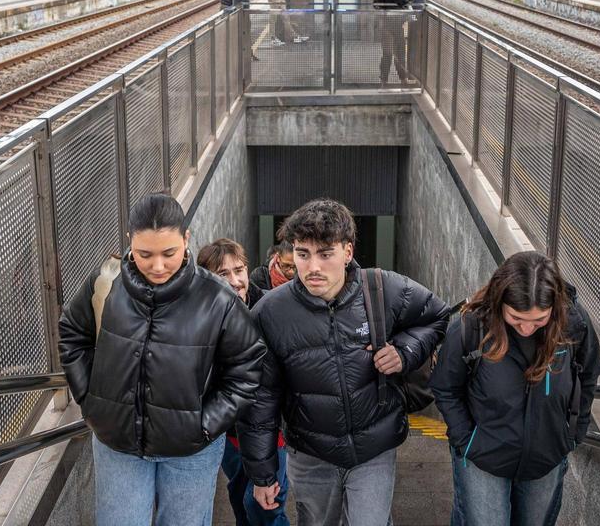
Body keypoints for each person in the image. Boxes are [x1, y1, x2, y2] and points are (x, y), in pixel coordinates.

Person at [58, 193, 266, 526]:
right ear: (129, 242)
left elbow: (247, 367)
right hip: (118, 444)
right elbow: (72, 332)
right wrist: (90, 400)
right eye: (145, 254)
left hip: (191, 450)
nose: (158, 266)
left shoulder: (219, 299)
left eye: (169, 253)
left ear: (186, 239)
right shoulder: (106, 282)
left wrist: (206, 423)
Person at [240, 198, 451, 526]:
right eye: (302, 254)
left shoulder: (383, 289)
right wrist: (263, 474)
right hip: (311, 453)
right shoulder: (270, 313)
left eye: (325, 255)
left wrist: (404, 352)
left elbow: (437, 317)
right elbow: (260, 399)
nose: (312, 268)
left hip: (374, 447)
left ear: (347, 252)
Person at [430, 251, 600, 526]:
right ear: (500, 301)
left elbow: (589, 374)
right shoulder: (472, 327)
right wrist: (467, 441)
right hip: (483, 458)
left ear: (554, 308)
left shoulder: (574, 324)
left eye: (539, 320)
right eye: (516, 317)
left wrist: (572, 434)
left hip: (545, 458)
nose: (526, 328)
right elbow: (445, 388)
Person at [197, 239, 292, 526]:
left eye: (239, 270)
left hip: (270, 433)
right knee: (240, 499)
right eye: (223, 274)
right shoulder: (198, 319)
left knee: (266, 507)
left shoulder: (270, 311)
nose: (236, 281)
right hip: (228, 435)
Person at [372, 0, 414, 87]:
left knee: (387, 53)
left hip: (384, 20)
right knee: (399, 51)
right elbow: (403, 0)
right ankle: (403, 80)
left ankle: (384, 81)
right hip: (394, 21)